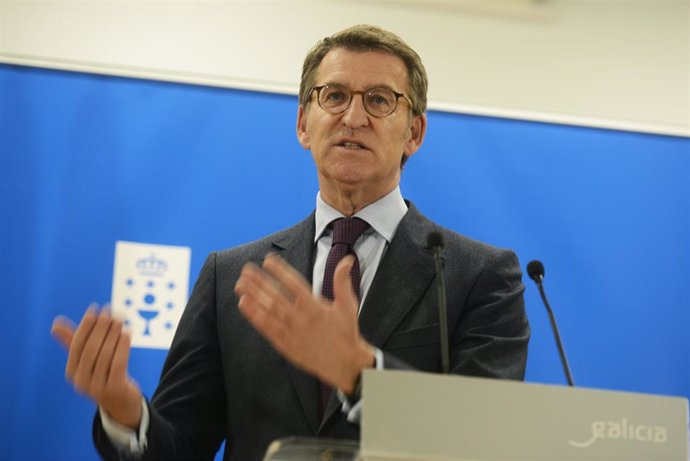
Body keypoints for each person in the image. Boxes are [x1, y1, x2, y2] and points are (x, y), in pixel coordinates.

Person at [51, 24, 530, 461]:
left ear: (415, 133)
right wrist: (126, 414)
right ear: (304, 124)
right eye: (335, 96)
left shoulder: (478, 275)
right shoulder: (231, 277)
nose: (354, 117)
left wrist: (364, 374)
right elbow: (181, 448)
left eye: (380, 100)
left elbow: (483, 440)